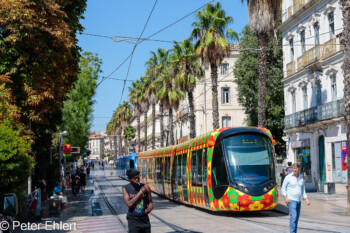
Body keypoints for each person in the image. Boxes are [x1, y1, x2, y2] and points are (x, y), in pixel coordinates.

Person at [282, 163, 310, 233]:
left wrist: (306, 199)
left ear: (298, 169)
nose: (294, 170)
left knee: (296, 218)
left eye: (296, 168)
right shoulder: (288, 177)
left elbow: (303, 189)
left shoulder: (301, 177)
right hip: (291, 200)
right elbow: (283, 188)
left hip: (298, 201)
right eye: (293, 168)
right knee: (293, 217)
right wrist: (285, 198)